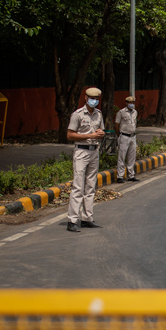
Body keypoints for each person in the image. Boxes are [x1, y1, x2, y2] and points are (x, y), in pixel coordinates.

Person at [66, 87, 105, 232]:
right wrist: (90, 136)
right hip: (81, 151)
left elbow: (101, 131)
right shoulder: (77, 114)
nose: (94, 101)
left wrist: (100, 133)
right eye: (91, 98)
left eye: (96, 99)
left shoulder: (98, 114)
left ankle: (87, 218)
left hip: (94, 151)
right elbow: (70, 135)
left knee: (90, 186)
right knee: (78, 186)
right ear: (86, 98)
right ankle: (73, 220)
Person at [115, 95, 139, 183]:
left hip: (133, 136)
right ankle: (120, 176)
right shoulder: (121, 112)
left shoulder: (135, 112)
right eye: (130, 103)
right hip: (124, 136)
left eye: (133, 103)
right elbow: (116, 124)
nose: (131, 104)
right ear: (126, 103)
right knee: (122, 156)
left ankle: (131, 175)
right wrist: (119, 135)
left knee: (132, 156)